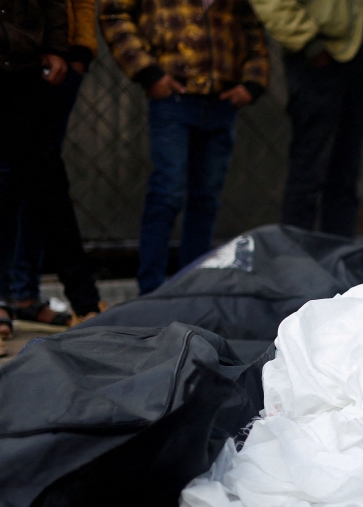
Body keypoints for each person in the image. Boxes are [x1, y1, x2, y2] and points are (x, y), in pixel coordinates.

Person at [100, 0, 270, 294]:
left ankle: (193, 286)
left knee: (206, 199)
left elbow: (252, 22)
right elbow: (113, 12)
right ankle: (152, 288)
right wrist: (148, 72)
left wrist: (253, 81)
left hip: (222, 101)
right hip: (175, 97)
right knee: (168, 191)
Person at [249, 0, 363, 237]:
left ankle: (338, 257)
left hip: (362, 57)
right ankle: (295, 258)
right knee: (309, 167)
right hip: (318, 59)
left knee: (347, 171)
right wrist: (309, 44)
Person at [0, 0, 104, 354]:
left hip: (29, 62)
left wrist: (63, 49)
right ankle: (11, 300)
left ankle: (84, 303)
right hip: (25, 56)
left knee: (45, 181)